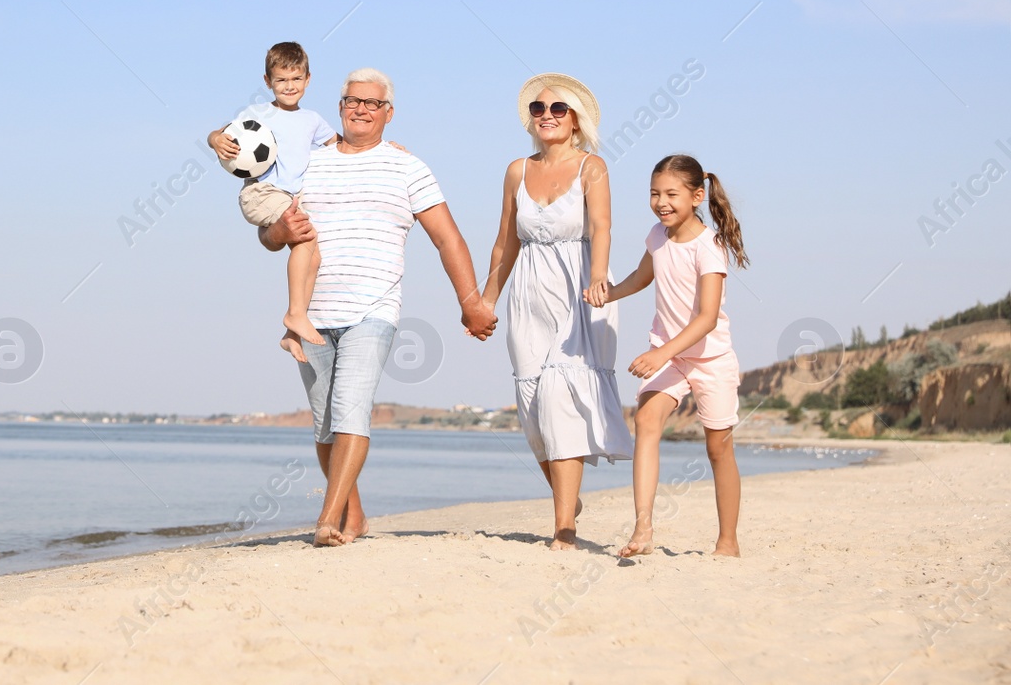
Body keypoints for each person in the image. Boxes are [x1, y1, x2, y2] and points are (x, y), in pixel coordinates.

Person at [262, 68, 497, 546]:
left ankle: (326, 521)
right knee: (325, 424)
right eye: (353, 101)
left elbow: (447, 238)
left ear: (389, 112)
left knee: (351, 409)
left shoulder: (407, 167)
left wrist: (470, 302)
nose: (361, 109)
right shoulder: (307, 163)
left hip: (373, 310)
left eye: (372, 103)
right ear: (340, 107)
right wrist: (279, 233)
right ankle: (356, 517)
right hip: (312, 315)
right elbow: (270, 233)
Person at [479, 73, 631, 550]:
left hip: (580, 288)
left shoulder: (593, 167)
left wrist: (599, 278)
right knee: (531, 405)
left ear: (576, 119)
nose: (546, 115)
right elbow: (505, 241)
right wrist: (486, 299)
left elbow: (602, 227)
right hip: (528, 291)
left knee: (562, 401)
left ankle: (563, 526)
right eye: (538, 109)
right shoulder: (516, 170)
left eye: (557, 109)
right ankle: (568, 499)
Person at [593, 154, 749, 557]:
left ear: (697, 196)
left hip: (709, 357)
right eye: (654, 193)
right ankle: (642, 530)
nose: (661, 202)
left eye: (671, 194)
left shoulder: (709, 247)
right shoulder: (657, 236)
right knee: (646, 419)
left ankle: (727, 542)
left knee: (718, 449)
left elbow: (708, 318)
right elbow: (644, 277)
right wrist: (610, 292)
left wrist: (661, 353)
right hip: (673, 357)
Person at [207, 42, 335, 361]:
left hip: (290, 197)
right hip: (261, 193)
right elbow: (220, 132)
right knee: (306, 240)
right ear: (268, 82)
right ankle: (294, 314)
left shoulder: (313, 120)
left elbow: (340, 145)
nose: (289, 86)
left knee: (314, 256)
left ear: (307, 79)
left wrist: (385, 146)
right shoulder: (258, 114)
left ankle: (292, 334)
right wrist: (214, 140)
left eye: (296, 79)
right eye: (281, 80)